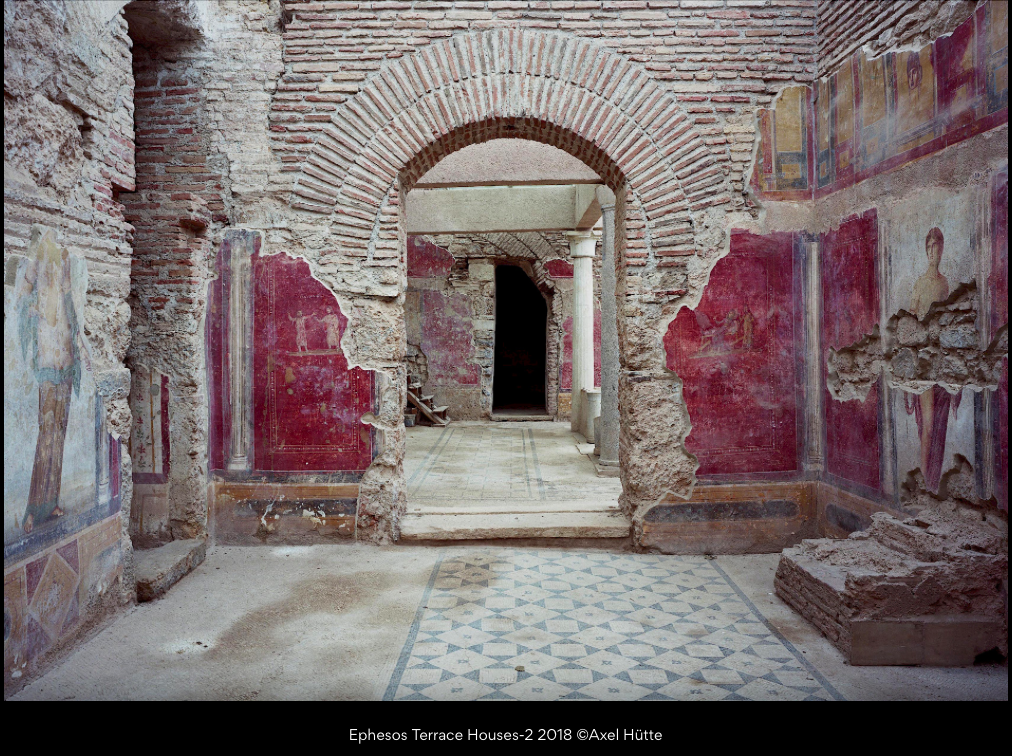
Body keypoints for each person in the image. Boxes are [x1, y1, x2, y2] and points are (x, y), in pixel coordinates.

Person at [17, 227, 89, 534]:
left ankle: (51, 501)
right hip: (47, 361)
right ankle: (34, 508)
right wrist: (28, 309)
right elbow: (19, 298)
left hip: (65, 362)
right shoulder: (35, 266)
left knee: (59, 431)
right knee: (46, 432)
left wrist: (83, 347)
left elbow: (74, 312)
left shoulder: (63, 268)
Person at [905, 227, 954, 492]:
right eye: (930, 246)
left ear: (942, 249)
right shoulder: (921, 283)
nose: (934, 251)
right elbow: (911, 321)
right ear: (926, 250)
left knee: (937, 424)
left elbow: (945, 320)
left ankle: (932, 482)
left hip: (940, 359)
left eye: (938, 246)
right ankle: (925, 485)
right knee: (929, 423)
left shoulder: (945, 284)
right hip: (923, 360)